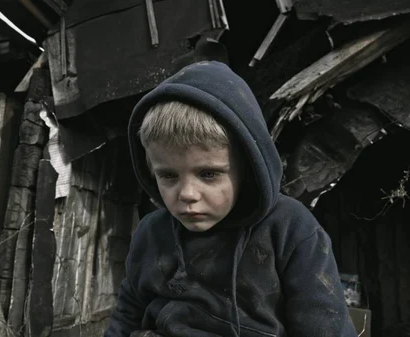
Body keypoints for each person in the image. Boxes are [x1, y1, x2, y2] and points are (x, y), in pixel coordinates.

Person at [104, 61, 357, 337]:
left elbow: (326, 328)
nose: (187, 194)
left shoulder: (292, 230)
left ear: (246, 169)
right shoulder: (151, 233)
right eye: (168, 176)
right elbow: (126, 315)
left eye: (209, 174)